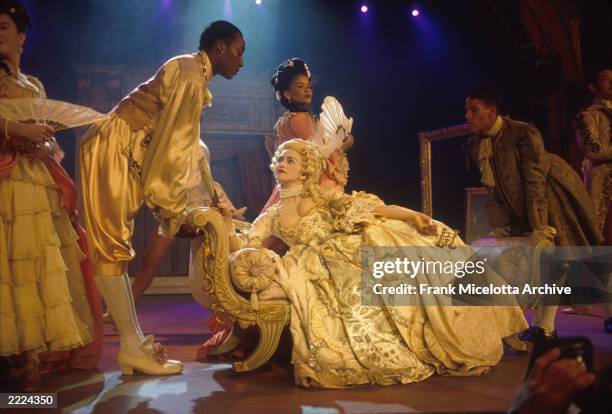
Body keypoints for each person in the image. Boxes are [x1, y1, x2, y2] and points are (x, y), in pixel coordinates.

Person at [218, 138, 528, 388]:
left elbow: (373, 208)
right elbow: (245, 246)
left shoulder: (323, 196)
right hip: (313, 261)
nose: (282, 164)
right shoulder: (272, 215)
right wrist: (225, 224)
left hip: (351, 245)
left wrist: (414, 216)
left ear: (305, 169)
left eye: (291, 160)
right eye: (280, 159)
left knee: (412, 260)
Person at [79, 20, 245, 376]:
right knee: (110, 246)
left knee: (115, 249)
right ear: (219, 48)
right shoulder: (189, 72)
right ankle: (131, 345)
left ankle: (132, 344)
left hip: (125, 148)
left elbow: (178, 146)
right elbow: (173, 144)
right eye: (239, 51)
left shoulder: (193, 74)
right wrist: (170, 207)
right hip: (115, 147)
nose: (242, 61)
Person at [0, 0, 101, 391]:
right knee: (7, 264)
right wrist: (18, 131)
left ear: (21, 37)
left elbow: (44, 132)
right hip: (5, 175)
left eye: (5, 27)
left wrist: (41, 144)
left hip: (31, 178)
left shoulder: (33, 84)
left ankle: (30, 357)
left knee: (35, 264)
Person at [464, 88, 603, 343]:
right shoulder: (477, 144)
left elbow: (535, 179)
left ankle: (546, 326)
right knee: (537, 263)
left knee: (555, 258)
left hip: (550, 195)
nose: (468, 116)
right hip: (517, 203)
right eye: (467, 110)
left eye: (474, 110)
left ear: (491, 111)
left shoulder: (522, 133)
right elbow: (492, 187)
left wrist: (540, 225)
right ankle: (542, 326)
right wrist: (501, 225)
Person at [262, 58, 353, 213]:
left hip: (299, 182)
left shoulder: (291, 118)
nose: (307, 90)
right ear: (287, 93)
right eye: (300, 86)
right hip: (309, 186)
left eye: (308, 86)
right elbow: (317, 154)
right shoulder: (299, 119)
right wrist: (344, 144)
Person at [572, 65, 612, 333]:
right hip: (603, 184)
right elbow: (592, 149)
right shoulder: (587, 117)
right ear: (593, 86)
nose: (611, 84)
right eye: (606, 80)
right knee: (602, 241)